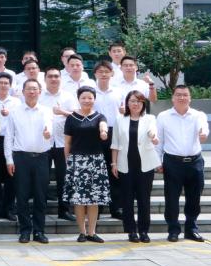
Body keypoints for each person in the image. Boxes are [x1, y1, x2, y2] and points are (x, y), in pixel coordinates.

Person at [157, 85, 209, 243]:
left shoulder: (198, 115)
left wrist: (203, 134)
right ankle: (173, 229)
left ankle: (191, 229)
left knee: (194, 198)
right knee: (171, 198)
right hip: (173, 162)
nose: (181, 98)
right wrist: (158, 161)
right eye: (178, 95)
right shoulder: (163, 116)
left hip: (195, 162)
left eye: (185, 95)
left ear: (190, 98)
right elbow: (159, 141)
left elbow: (204, 129)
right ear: (172, 98)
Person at [5, 79, 53, 244]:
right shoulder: (14, 112)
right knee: (22, 196)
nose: (32, 92)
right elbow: (8, 137)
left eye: (35, 89)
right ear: (23, 92)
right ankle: (25, 230)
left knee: (41, 196)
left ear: (40, 91)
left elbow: (50, 132)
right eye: (29, 89)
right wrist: (9, 160)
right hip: (21, 158)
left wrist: (48, 135)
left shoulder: (47, 111)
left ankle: (39, 231)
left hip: (42, 158)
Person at [62, 86, 111, 244]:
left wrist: (103, 132)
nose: (87, 100)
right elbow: (67, 143)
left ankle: (92, 232)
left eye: (90, 97)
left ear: (94, 99)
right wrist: (68, 161)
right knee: (79, 199)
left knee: (93, 199)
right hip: (77, 161)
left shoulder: (99, 116)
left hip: (96, 162)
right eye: (83, 97)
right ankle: (82, 232)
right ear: (78, 99)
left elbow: (103, 126)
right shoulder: (71, 118)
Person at [112, 90, 161, 243]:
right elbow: (115, 144)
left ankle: (144, 231)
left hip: (145, 166)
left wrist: (153, 137)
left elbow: (152, 131)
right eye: (133, 101)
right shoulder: (120, 120)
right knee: (127, 200)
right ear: (127, 103)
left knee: (144, 200)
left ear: (143, 104)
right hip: (125, 165)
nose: (136, 104)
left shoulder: (150, 118)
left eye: (139, 101)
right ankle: (131, 231)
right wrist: (114, 163)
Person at [38, 67, 78, 222]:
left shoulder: (68, 96)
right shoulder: (39, 95)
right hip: (43, 143)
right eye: (50, 76)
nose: (53, 79)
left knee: (64, 178)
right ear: (45, 79)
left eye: (56, 76)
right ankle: (40, 210)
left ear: (61, 78)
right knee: (42, 179)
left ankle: (64, 210)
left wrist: (62, 112)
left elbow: (78, 117)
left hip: (63, 143)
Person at [93, 60, 125, 219]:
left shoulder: (119, 92)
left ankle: (116, 207)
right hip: (94, 133)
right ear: (95, 74)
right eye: (100, 71)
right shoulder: (90, 91)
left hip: (115, 132)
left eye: (106, 71)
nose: (104, 74)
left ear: (112, 73)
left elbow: (125, 112)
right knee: (97, 171)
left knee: (115, 170)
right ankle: (97, 208)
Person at [0, 73, 20, 221]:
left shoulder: (16, 102)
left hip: (12, 142)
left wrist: (10, 114)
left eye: (6, 83)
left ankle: (9, 209)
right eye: (0, 82)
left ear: (10, 85)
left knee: (11, 176)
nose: (3, 85)